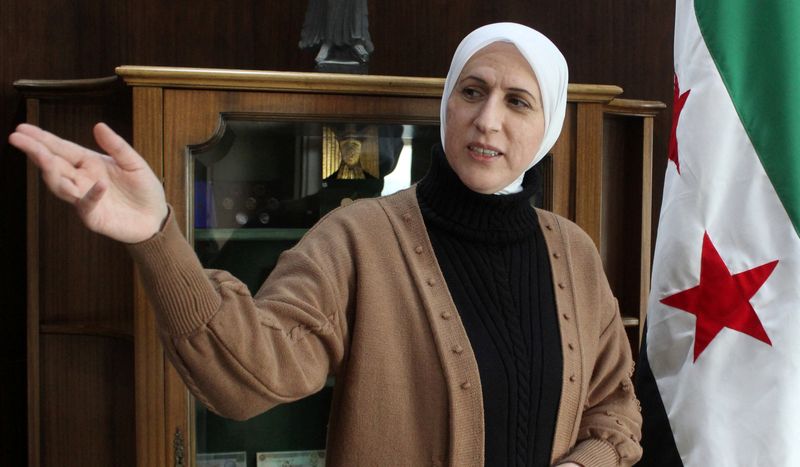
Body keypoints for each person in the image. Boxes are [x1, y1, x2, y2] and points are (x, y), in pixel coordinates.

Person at [10, 22, 642, 467]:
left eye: (519, 102)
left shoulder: (574, 253)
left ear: (550, 126)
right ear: (447, 103)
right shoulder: (359, 237)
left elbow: (614, 404)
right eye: (471, 91)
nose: (487, 119)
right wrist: (157, 236)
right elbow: (245, 378)